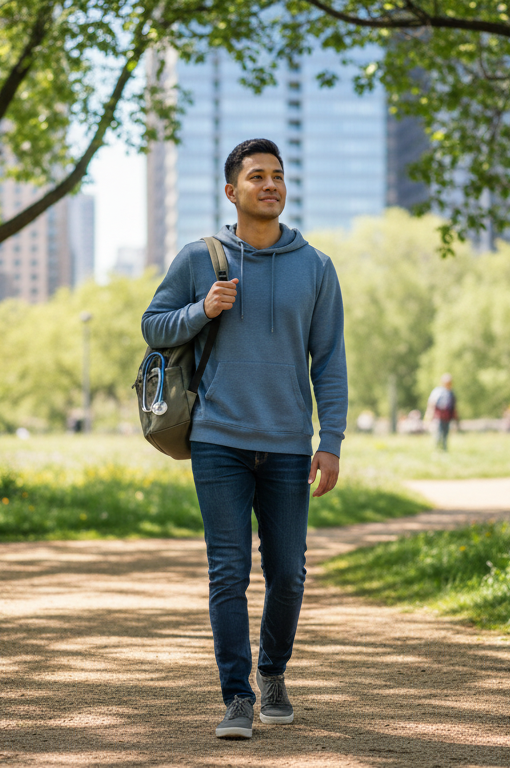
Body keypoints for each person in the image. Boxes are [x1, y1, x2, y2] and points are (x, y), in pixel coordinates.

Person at [140, 138, 347, 741]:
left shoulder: (316, 266)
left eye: (278, 176)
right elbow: (153, 326)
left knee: (289, 573)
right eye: (257, 176)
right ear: (232, 192)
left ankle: (273, 674)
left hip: (287, 444)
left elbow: (329, 363)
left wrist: (328, 441)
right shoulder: (198, 258)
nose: (270, 185)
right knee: (227, 572)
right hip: (218, 440)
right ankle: (236, 695)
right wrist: (202, 309)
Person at [425, 373, 458, 451]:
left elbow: (454, 406)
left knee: (446, 433)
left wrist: (455, 418)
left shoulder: (451, 393)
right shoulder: (438, 391)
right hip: (438, 416)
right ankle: (437, 449)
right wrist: (429, 415)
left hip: (448, 417)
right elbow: (431, 403)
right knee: (438, 432)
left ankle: (444, 449)